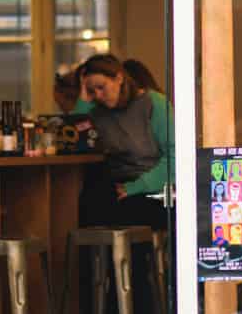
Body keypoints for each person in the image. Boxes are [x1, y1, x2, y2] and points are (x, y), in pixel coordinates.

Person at [72, 54, 173, 229]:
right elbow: (73, 138)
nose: (98, 95)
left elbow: (175, 158)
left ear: (119, 78)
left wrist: (136, 187)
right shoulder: (98, 111)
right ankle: (98, 255)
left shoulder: (153, 103)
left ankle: (126, 255)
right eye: (91, 91)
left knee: (116, 211)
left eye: (101, 87)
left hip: (153, 185)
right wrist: (83, 100)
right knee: (86, 202)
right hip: (117, 184)